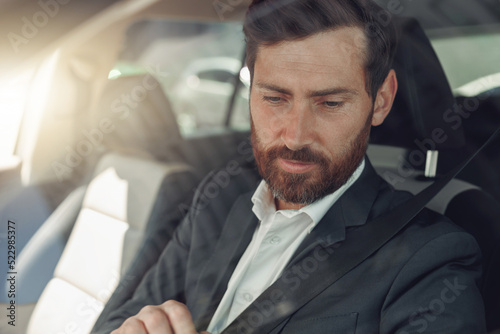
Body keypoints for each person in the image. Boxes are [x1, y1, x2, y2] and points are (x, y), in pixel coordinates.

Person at [98, 0, 486, 333]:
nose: (296, 136)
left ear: (381, 100)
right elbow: (121, 316)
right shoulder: (221, 197)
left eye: (330, 103)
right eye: (274, 98)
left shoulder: (429, 260)